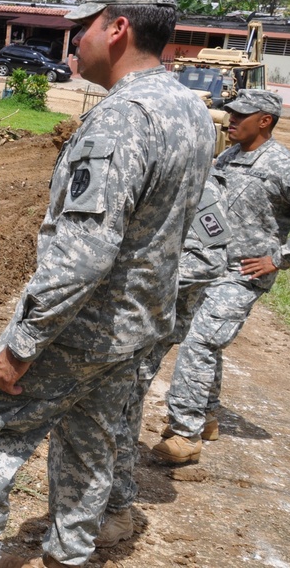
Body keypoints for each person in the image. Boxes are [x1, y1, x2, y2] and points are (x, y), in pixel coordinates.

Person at [0, 0, 215, 568]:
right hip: (137, 326)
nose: (73, 43)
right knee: (91, 438)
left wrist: (21, 343)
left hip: (83, 329)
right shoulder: (189, 108)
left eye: (81, 28)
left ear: (118, 28)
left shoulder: (123, 118)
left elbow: (84, 254)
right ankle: (69, 551)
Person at [154, 89, 290, 465]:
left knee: (199, 342)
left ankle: (185, 434)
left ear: (265, 121)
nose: (231, 119)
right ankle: (207, 415)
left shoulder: (284, 167)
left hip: (243, 275)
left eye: (242, 115)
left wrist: (280, 258)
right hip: (209, 268)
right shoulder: (228, 156)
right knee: (204, 340)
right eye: (231, 112)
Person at [95, 170, 230, 547]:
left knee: (122, 404)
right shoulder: (138, 170)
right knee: (99, 405)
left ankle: (116, 510)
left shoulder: (197, 183)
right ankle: (91, 498)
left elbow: (209, 259)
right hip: (114, 313)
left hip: (151, 318)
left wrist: (137, 282)